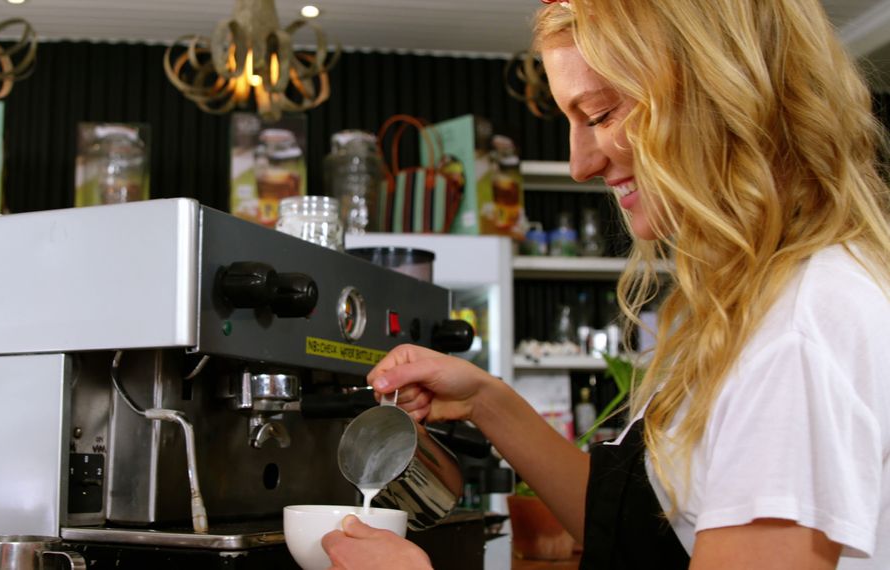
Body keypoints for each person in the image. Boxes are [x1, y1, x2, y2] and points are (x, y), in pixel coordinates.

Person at [321, 0, 890, 568]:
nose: (579, 163)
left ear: (722, 92)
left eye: (599, 115)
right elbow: (640, 530)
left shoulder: (797, 327)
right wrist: (485, 401)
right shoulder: (758, 298)